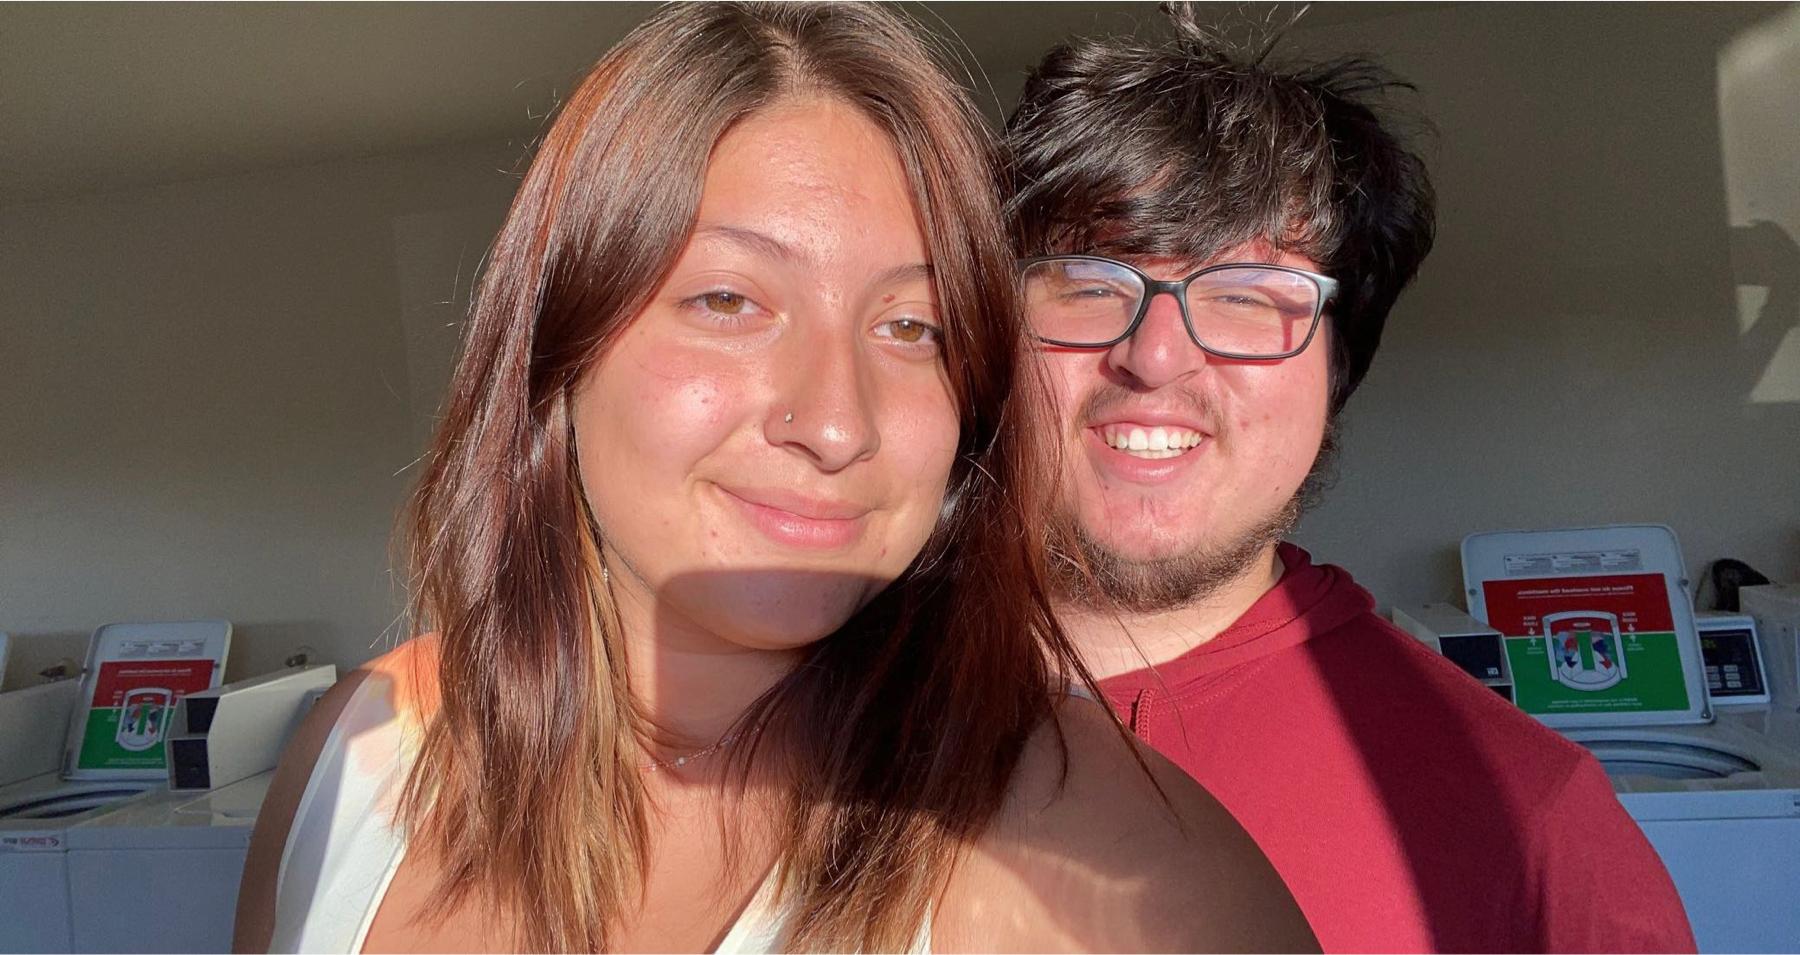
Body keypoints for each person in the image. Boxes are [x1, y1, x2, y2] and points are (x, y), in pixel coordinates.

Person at [232, 4, 1316, 953]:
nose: (837, 423)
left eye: (913, 325)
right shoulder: (356, 756)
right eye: (730, 302)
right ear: (559, 351)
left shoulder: (1132, 880)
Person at [1004, 7, 1696, 953]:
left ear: (1339, 368)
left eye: (1249, 298)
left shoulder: (1536, 834)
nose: (1156, 356)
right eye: (1090, 284)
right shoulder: (815, 718)